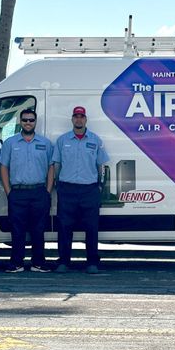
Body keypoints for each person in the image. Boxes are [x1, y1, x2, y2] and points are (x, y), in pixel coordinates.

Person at [52, 106, 109, 274]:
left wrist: (99, 185)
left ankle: (92, 262)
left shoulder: (95, 140)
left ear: (86, 119)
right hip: (67, 189)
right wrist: (58, 184)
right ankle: (63, 261)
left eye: (81, 116)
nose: (79, 119)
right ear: (72, 119)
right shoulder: (62, 140)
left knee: (91, 227)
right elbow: (56, 164)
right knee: (64, 227)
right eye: (76, 116)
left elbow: (101, 166)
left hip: (89, 190)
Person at [0, 108, 54, 273]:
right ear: (20, 122)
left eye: (31, 120)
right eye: (25, 120)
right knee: (17, 230)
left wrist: (48, 191)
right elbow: (3, 167)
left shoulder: (45, 143)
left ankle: (38, 263)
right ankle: (16, 263)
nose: (28, 123)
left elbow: (51, 167)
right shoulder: (10, 143)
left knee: (39, 229)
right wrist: (9, 191)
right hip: (18, 193)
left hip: (39, 192)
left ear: (35, 122)